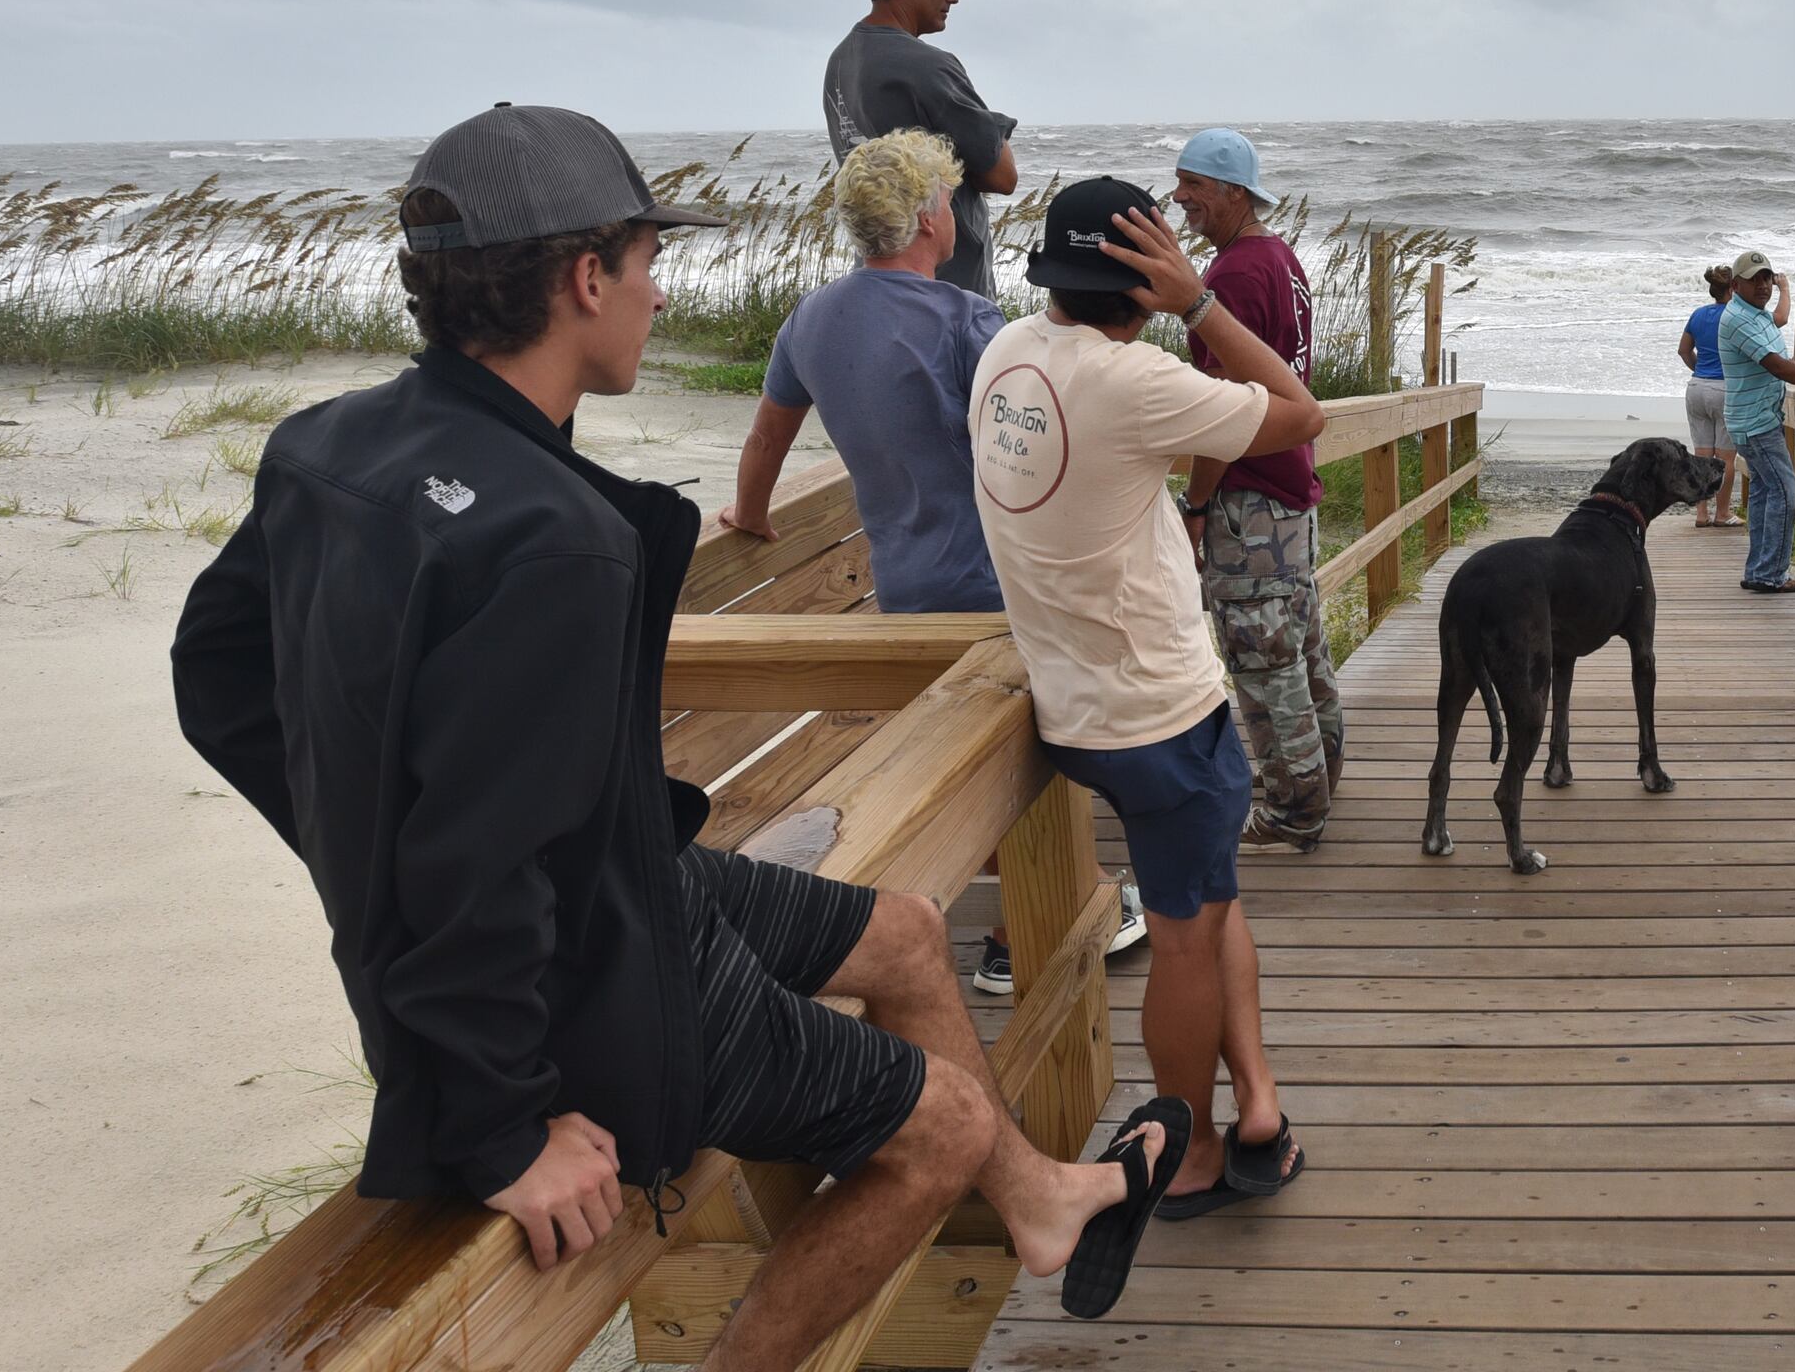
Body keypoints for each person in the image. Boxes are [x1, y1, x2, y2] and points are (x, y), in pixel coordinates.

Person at [171, 105, 1182, 1356]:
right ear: (584, 279)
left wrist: (353, 835)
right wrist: (502, 1126)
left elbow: (214, 678)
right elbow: (473, 865)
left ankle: (1040, 1207)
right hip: (586, 987)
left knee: (914, 934)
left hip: (615, 886)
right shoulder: (554, 543)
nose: (660, 291)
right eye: (648, 262)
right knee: (940, 1130)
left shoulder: (326, 445)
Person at [713, 126, 1144, 991]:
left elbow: (768, 433)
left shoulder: (813, 318)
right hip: (993, 580)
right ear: (927, 218)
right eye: (948, 199)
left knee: (967, 754)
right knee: (1029, 750)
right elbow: (1043, 431)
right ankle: (1034, 930)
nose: (954, 213)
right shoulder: (967, 320)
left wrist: (750, 515)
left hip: (902, 580)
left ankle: (1002, 924)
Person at [974, 177, 1326, 1217]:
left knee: (1213, 906)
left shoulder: (1008, 357)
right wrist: (1201, 305)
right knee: (1184, 934)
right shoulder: (1134, 382)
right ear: (1146, 277)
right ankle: (1198, 1149)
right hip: (1161, 715)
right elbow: (1301, 416)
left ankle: (1258, 1104)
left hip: (1071, 694)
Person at [1167, 127, 1347, 857]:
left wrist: (1198, 503)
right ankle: (1322, 774)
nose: (1179, 198)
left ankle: (1294, 811)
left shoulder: (1233, 276)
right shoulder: (1278, 258)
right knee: (1300, 648)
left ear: (1233, 191)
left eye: (1193, 186)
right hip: (1290, 486)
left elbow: (1222, 412)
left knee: (1262, 663)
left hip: (1250, 497)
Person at [823, 0, 1020, 295]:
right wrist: (991, 124)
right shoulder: (928, 65)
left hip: (874, 277)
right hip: (947, 284)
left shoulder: (840, 60)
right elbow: (1003, 177)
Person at [1715, 249, 1795, 594]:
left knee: (1763, 491)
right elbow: (1777, 365)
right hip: (1755, 422)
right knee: (1785, 491)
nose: (1763, 285)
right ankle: (1770, 574)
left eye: (1767, 278)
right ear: (1736, 285)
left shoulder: (1756, 314)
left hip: (1758, 417)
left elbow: (1779, 327)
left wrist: (1785, 292)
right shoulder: (1739, 318)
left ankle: (1759, 570)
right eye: (1754, 279)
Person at [1675, 266, 1734, 527]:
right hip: (1725, 388)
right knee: (1725, 458)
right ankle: (1722, 513)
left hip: (1697, 387)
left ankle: (1701, 513)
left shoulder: (1698, 315)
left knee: (1702, 455)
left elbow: (1684, 351)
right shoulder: (1735, 316)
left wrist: (1700, 369)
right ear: (1734, 289)